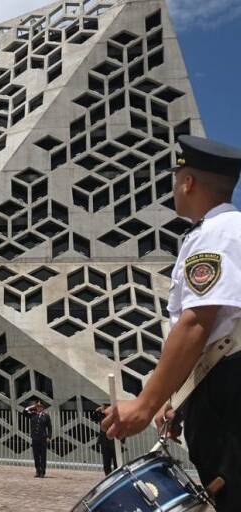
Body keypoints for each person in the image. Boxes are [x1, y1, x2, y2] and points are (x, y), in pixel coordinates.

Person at [101, 135, 241, 511]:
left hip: (229, 396)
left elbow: (197, 323)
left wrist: (147, 402)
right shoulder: (225, 231)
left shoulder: (216, 233)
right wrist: (178, 401)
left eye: (176, 176)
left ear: (188, 182)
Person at [23, 400, 52, 478]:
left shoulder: (46, 416)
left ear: (43, 408)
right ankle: (37, 471)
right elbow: (25, 411)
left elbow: (49, 428)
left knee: (43, 456)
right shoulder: (33, 415)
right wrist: (32, 406)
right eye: (38, 407)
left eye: (40, 407)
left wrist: (49, 437)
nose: (39, 408)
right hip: (35, 438)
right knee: (36, 456)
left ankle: (42, 472)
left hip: (43, 438)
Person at [91, 404, 117, 475]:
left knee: (116, 463)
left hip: (115, 442)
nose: (105, 408)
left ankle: (116, 476)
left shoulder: (115, 414)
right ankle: (108, 477)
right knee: (106, 463)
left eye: (107, 406)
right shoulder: (102, 415)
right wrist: (97, 411)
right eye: (104, 406)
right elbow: (93, 418)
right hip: (105, 442)